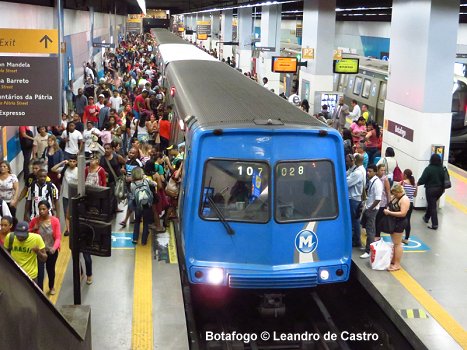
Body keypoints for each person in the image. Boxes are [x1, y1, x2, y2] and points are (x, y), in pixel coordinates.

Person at [29, 200, 61, 294]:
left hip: (51, 250)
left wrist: (54, 248)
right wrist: (33, 229)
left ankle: (51, 287)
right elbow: (26, 233)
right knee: (40, 272)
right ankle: (40, 290)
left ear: (48, 209)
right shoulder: (35, 221)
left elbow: (58, 237)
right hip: (40, 251)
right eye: (40, 209)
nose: (41, 211)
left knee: (50, 270)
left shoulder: (55, 221)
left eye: (44, 209)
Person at [383, 184, 410, 271]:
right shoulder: (396, 197)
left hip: (400, 223)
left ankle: (397, 264)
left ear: (399, 192)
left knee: (397, 244)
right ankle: (394, 260)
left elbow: (403, 213)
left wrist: (389, 212)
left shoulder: (404, 199)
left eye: (395, 194)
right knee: (395, 243)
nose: (394, 195)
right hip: (394, 221)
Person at [360, 164, 383, 259]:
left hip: (372, 209)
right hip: (368, 207)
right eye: (367, 171)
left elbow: (378, 199)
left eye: (370, 171)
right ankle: (368, 246)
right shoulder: (371, 181)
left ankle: (369, 251)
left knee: (370, 230)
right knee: (366, 227)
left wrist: (369, 210)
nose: (368, 173)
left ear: (375, 172)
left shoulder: (377, 183)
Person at [52, 156, 78, 236]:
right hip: (65, 194)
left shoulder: (78, 171)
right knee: (66, 213)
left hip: (75, 195)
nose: (72, 163)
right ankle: (68, 229)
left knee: (73, 213)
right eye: (70, 161)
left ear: (76, 162)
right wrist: (62, 162)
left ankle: (74, 228)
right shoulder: (64, 169)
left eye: (74, 161)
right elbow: (53, 169)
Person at [417, 154, 445, 230]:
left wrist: (417, 184)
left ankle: (435, 224)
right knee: (431, 203)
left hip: (431, 190)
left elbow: (423, 179)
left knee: (432, 206)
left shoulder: (429, 168)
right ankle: (426, 217)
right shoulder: (442, 169)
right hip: (440, 190)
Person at [346, 153, 366, 248]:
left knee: (354, 221)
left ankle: (356, 240)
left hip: (354, 199)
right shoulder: (361, 170)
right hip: (356, 198)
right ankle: (356, 239)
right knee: (355, 220)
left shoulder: (358, 172)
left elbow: (347, 183)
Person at [130, 167, 154, 245]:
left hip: (137, 205)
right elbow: (154, 184)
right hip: (146, 205)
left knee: (137, 221)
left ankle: (135, 238)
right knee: (146, 222)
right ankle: (144, 241)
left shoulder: (132, 184)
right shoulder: (145, 181)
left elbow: (133, 194)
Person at [400, 169, 417, 244]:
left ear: (405, 175)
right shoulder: (415, 184)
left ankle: (399, 235)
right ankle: (406, 238)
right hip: (411, 203)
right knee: (407, 220)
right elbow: (415, 195)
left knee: (401, 219)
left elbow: (399, 193)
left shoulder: (403, 183)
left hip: (403, 203)